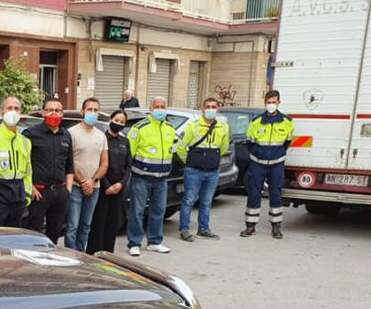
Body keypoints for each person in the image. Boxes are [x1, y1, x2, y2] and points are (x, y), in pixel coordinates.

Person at [126, 96, 178, 255]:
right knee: (137, 211)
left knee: (159, 211)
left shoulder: (170, 128)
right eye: (157, 106)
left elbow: (174, 150)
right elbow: (129, 154)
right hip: (142, 177)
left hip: (162, 178)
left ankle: (155, 241)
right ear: (150, 109)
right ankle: (134, 243)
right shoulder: (140, 128)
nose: (160, 109)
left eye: (163, 106)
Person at [241, 90, 294, 239]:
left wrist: (277, 154)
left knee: (276, 194)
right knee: (254, 193)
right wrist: (258, 155)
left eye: (274, 102)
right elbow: (249, 142)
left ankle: (276, 227)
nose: (271, 105)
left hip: (276, 164)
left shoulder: (287, 122)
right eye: (269, 102)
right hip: (257, 164)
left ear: (279, 102)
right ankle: (250, 226)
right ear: (265, 102)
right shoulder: (256, 122)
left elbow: (287, 142)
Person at [175, 97, 230, 241]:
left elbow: (224, 147)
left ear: (217, 109)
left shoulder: (223, 127)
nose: (210, 109)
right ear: (202, 110)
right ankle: (184, 229)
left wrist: (212, 159)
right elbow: (180, 146)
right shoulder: (193, 126)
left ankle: (204, 229)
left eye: (213, 106)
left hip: (212, 171)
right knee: (189, 200)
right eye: (207, 106)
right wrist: (191, 161)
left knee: (206, 201)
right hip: (194, 170)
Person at [24, 97, 74, 244]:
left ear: (62, 114)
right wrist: (30, 187)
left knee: (55, 233)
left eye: (57, 110)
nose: (54, 113)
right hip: (39, 193)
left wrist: (68, 190)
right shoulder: (31, 134)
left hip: (60, 193)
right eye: (50, 110)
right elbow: (23, 164)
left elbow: (69, 165)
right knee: (33, 232)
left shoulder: (66, 135)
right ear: (43, 113)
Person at [65, 97, 108, 252]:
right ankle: (70, 254)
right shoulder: (71, 133)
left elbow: (104, 163)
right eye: (90, 109)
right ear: (82, 111)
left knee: (86, 225)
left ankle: (81, 255)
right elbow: (69, 162)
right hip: (76, 186)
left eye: (96, 110)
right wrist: (83, 181)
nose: (93, 113)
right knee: (72, 226)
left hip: (94, 187)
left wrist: (92, 180)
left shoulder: (101, 135)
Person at [87, 109, 130, 255]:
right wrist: (107, 185)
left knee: (113, 223)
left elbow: (128, 166)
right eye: (116, 120)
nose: (118, 123)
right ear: (110, 119)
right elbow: (98, 164)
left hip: (118, 188)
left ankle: (108, 255)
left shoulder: (125, 141)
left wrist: (121, 184)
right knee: (99, 222)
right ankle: (95, 253)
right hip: (103, 187)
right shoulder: (102, 138)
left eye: (122, 122)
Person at [0, 96, 32, 227]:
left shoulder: (25, 142)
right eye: (9, 108)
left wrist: (27, 196)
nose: (13, 111)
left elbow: (28, 172)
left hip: (19, 203)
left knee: (14, 242)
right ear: (1, 112)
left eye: (16, 108)